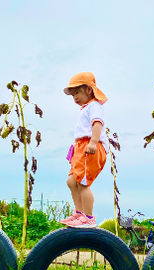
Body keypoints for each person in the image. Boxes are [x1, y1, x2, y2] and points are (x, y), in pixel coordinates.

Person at [59, 72, 108, 228]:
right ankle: (79, 213)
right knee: (72, 181)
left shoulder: (94, 106)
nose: (75, 97)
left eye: (77, 92)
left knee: (82, 183)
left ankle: (88, 217)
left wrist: (93, 142)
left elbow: (97, 124)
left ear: (88, 89)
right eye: (73, 94)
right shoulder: (85, 108)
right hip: (81, 147)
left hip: (91, 146)